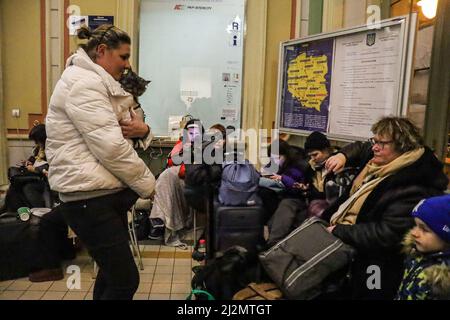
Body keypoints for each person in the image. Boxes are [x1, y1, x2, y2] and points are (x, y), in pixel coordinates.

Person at [45, 25, 156, 300]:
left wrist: (144, 131)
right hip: (89, 199)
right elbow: (111, 148)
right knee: (125, 280)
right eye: (124, 56)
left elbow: (129, 128)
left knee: (110, 275)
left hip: (99, 195)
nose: (128, 65)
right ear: (102, 51)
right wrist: (149, 186)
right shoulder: (84, 83)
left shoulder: (99, 83)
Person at [321, 116, 448, 299]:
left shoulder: (412, 183)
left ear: (402, 146)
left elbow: (387, 234)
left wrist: (341, 231)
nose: (375, 147)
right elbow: (361, 147)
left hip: (376, 262)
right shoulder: (381, 162)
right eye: (375, 140)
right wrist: (343, 155)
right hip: (351, 243)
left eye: (382, 143)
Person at [266, 132, 335, 246]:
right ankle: (275, 247)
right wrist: (304, 188)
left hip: (315, 203)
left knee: (286, 208)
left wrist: (304, 190)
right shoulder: (311, 166)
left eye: (315, 155)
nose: (312, 159)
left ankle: (273, 247)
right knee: (275, 221)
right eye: (310, 156)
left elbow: (328, 194)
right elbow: (306, 185)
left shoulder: (334, 166)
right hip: (305, 198)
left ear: (326, 150)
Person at [148, 119, 205, 247]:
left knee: (167, 178)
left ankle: (159, 220)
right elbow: (171, 162)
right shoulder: (181, 144)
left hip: (194, 182)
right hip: (175, 180)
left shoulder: (206, 147)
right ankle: (160, 219)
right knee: (166, 177)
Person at [396, 195, 450, 300]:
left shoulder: (441, 283)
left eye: (424, 229)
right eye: (415, 225)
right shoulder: (416, 254)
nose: (414, 233)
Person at [1, 124, 50, 213]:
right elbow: (34, 158)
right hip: (34, 175)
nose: (35, 143)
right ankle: (10, 209)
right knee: (15, 183)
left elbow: (50, 166)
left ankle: (36, 210)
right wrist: (28, 162)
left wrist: (35, 169)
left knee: (28, 187)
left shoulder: (51, 148)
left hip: (43, 178)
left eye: (36, 140)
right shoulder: (39, 148)